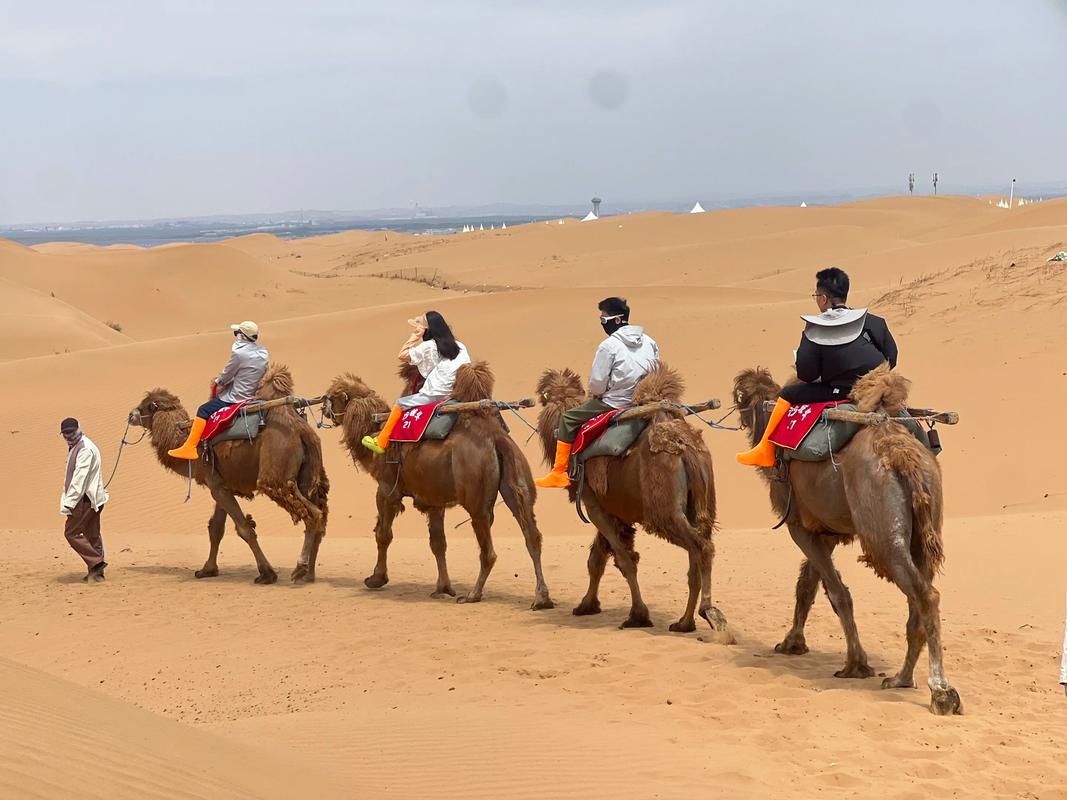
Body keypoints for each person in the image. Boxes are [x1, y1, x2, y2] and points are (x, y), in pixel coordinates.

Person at [737, 267, 897, 467]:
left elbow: (806, 374)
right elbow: (891, 357)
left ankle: (764, 450)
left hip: (839, 392)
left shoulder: (816, 328)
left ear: (823, 298)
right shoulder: (874, 322)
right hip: (877, 390)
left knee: (787, 393)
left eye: (816, 296)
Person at [536, 297, 659, 489]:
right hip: (645, 401)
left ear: (617, 320)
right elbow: (656, 370)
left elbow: (597, 385)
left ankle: (559, 472)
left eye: (604, 319)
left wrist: (599, 393)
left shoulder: (609, 346)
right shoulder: (650, 341)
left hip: (615, 403)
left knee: (567, 419)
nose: (602, 323)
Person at [362, 311, 471, 454]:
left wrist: (415, 337)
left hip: (436, 393)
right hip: (456, 391)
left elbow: (402, 355)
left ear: (427, 330)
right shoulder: (459, 346)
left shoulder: (429, 346)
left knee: (400, 404)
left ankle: (381, 441)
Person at [168, 320, 269, 459]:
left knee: (203, 409)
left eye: (237, 333)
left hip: (237, 397)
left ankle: (189, 447)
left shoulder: (240, 354)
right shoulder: (263, 353)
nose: (236, 336)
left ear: (243, 336)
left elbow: (227, 374)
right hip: (253, 395)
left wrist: (218, 381)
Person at [59, 418, 109, 581]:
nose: (69, 436)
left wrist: (69, 503)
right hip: (91, 498)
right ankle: (97, 575)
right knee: (92, 535)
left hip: (85, 500)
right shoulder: (77, 446)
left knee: (71, 532)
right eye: (66, 433)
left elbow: (79, 479)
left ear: (79, 429)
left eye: (71, 432)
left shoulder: (85, 449)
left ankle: (96, 563)